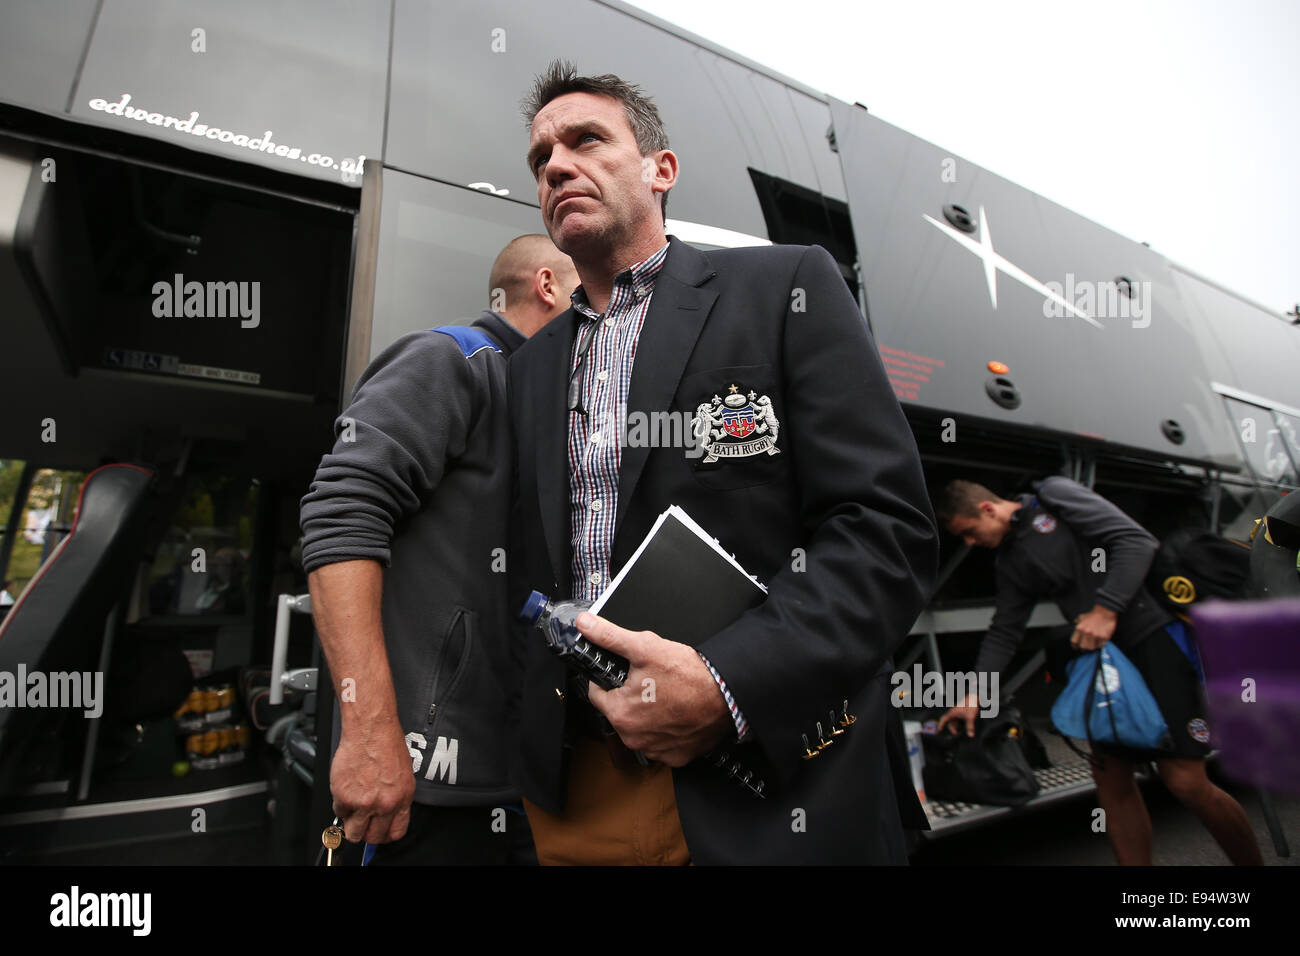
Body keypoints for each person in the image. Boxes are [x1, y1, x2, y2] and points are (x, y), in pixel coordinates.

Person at [506, 61, 938, 865]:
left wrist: (727, 682)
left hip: (765, 788)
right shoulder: (528, 369)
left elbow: (886, 530)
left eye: (586, 140)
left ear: (660, 170)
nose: (557, 165)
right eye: (541, 159)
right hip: (580, 794)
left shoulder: (786, 288)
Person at [299, 235, 578, 864]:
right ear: (547, 285)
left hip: (518, 791)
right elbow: (340, 514)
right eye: (587, 295)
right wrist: (369, 735)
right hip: (420, 796)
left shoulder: (551, 402)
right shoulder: (452, 360)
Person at [935, 477, 1262, 865]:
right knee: (1111, 780)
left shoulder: (1053, 496)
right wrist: (975, 695)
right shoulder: (1010, 561)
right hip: (1104, 665)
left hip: (1153, 642)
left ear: (987, 509)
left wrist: (1106, 609)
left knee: (1185, 781)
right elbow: (1005, 631)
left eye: (969, 532)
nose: (970, 543)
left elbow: (1137, 541)